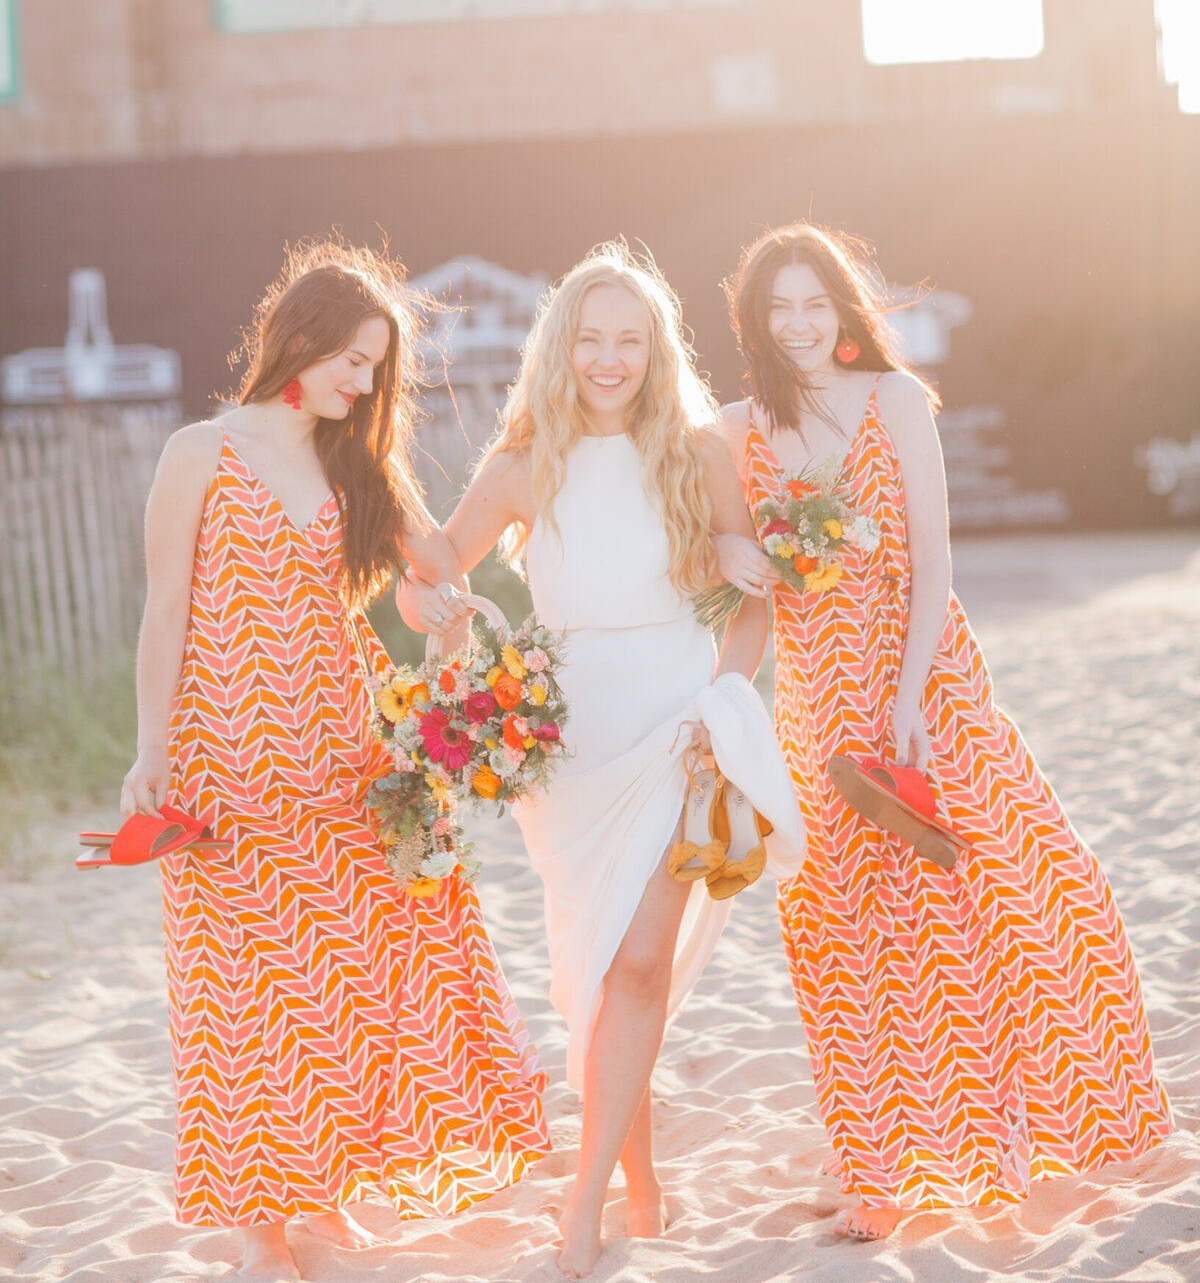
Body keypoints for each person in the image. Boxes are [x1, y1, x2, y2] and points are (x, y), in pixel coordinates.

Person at [715, 221, 1173, 1241]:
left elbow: (935, 560)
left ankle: (1019, 1126)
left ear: (842, 309)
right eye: (777, 308)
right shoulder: (734, 428)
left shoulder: (894, 400)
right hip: (816, 699)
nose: (797, 324)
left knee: (1010, 883)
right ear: (754, 320)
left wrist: (912, 692)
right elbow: (722, 567)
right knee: (847, 924)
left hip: (929, 682)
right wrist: (722, 558)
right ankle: (876, 1166)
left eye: (813, 303)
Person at [121, 241, 548, 1281]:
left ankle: (320, 1188)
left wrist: (435, 604)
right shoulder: (199, 452)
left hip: (341, 746)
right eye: (354, 361)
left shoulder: (356, 462)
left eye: (375, 368)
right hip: (224, 748)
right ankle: (259, 1220)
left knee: (352, 967)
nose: (364, 384)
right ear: (298, 341)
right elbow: (166, 609)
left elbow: (435, 565)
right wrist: (149, 752)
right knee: (244, 979)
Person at [404, 244, 803, 1278]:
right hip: (567, 751)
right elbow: (435, 576)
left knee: (637, 967)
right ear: (561, 348)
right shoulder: (522, 467)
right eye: (591, 338)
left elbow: (753, 598)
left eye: (631, 339)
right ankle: (638, 1183)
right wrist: (424, 603)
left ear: (657, 349)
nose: (610, 358)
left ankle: (585, 1201)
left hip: (678, 727)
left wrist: (725, 698)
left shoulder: (699, 453)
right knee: (595, 979)